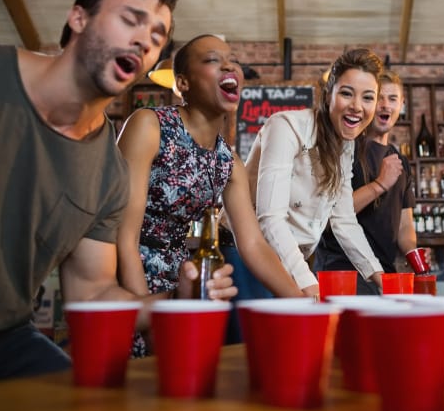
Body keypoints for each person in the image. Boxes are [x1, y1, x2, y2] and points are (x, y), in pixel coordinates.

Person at [0, 0, 236, 390]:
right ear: (78, 18)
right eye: (130, 20)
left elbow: (94, 296)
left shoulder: (109, 172)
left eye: (156, 37)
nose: (143, 40)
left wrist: (176, 302)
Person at [116, 34, 307, 356]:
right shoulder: (148, 126)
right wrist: (145, 315)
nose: (229, 64)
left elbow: (254, 245)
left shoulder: (228, 162)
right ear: (182, 83)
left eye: (231, 59)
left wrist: (302, 305)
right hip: (123, 275)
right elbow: (123, 235)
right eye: (212, 60)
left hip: (182, 283)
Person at [244, 48, 386, 295]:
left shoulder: (344, 145)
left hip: (290, 260)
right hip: (248, 256)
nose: (357, 107)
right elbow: (270, 218)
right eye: (346, 93)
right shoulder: (286, 126)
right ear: (328, 95)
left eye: (368, 97)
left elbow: (343, 219)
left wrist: (380, 276)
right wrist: (307, 282)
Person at [313, 70, 421, 294]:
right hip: (343, 271)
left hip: (384, 272)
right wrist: (380, 184)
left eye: (392, 99)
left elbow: (404, 225)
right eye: (378, 97)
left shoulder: (401, 161)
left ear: (401, 105)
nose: (385, 105)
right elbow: (330, 212)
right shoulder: (343, 149)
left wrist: (414, 253)